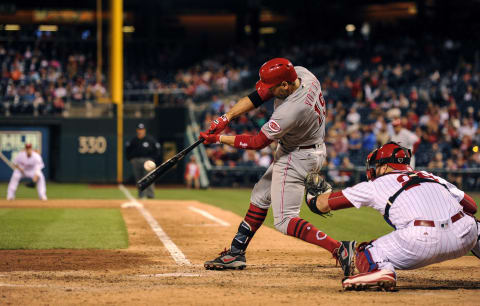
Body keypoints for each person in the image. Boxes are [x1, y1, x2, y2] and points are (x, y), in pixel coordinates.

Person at [199, 58, 354, 273]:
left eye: (273, 87)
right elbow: (260, 95)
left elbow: (257, 142)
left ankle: (339, 249)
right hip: (309, 148)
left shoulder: (292, 110)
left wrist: (218, 139)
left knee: (285, 220)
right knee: (260, 196)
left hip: (295, 156)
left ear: (284, 85)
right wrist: (227, 117)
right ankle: (236, 252)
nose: (268, 91)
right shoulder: (302, 74)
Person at [305, 142, 479, 291]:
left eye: (377, 165)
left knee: (366, 251)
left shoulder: (376, 184)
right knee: (475, 225)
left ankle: (380, 271)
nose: (374, 170)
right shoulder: (431, 176)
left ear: (386, 165)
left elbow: (323, 205)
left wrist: (312, 198)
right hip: (464, 235)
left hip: (421, 242)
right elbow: (472, 206)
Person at [125, 123, 161, 199]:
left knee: (149, 178)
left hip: (148, 161)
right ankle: (141, 195)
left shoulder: (150, 140)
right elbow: (128, 150)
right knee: (139, 179)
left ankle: (150, 195)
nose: (140, 131)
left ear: (144, 130)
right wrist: (131, 159)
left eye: (142, 130)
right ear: (137, 130)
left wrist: (153, 159)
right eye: (139, 129)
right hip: (136, 161)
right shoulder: (134, 140)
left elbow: (157, 150)